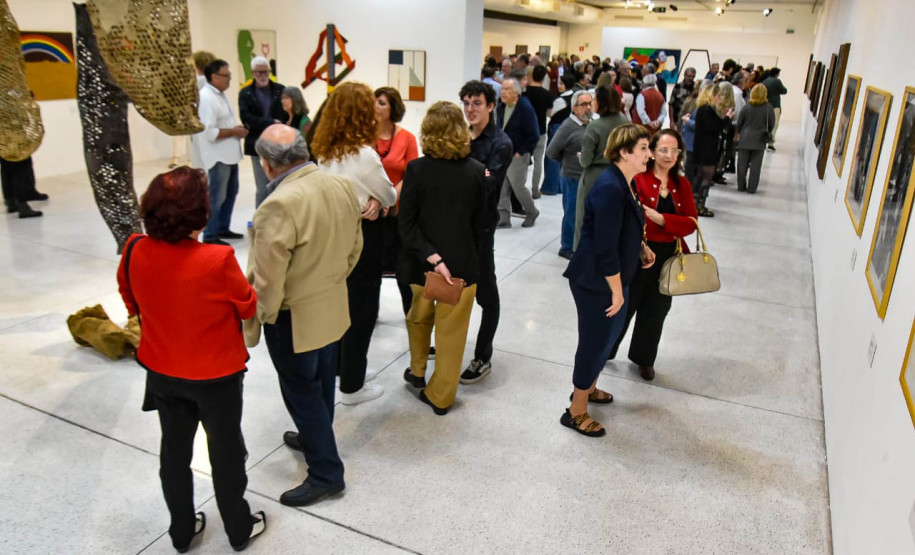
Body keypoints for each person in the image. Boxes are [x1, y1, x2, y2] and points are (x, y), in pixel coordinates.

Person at [116, 167, 266, 552]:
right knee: (226, 451)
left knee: (174, 451)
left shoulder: (134, 248)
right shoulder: (217, 259)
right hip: (216, 375)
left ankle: (182, 531)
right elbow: (248, 307)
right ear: (199, 212)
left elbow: (130, 300)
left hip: (163, 369)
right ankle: (238, 526)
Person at [246, 124, 363, 507]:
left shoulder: (277, 205)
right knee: (322, 381)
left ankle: (327, 473)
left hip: (293, 317)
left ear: (266, 164)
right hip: (331, 304)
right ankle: (316, 434)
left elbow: (267, 277)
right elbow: (354, 248)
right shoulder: (341, 186)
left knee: (301, 392)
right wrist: (330, 281)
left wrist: (261, 319)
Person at [561, 124, 655, 437]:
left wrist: (640, 247)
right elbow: (604, 249)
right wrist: (617, 293)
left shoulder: (627, 183)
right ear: (624, 152)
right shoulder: (609, 189)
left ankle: (590, 387)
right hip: (596, 281)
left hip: (614, 279)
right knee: (594, 342)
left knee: (607, 338)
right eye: (643, 148)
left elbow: (623, 229)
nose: (649, 154)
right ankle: (576, 410)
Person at [311, 82, 397, 405]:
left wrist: (373, 197)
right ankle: (352, 385)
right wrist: (377, 198)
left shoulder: (324, 149)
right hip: (362, 235)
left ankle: (340, 370)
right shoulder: (364, 155)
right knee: (362, 310)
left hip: (331, 235)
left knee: (339, 305)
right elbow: (389, 193)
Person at [400, 101, 487, 415]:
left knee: (418, 320)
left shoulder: (417, 171)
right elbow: (482, 228)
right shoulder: (477, 173)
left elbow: (406, 223)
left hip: (421, 266)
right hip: (461, 271)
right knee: (451, 336)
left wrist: (431, 256)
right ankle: (440, 396)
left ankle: (418, 369)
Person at [609, 130, 697, 380]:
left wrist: (661, 219)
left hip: (668, 256)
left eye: (675, 150)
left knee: (657, 310)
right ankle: (606, 350)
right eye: (663, 150)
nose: (669, 155)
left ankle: (644, 358)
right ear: (652, 151)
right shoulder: (639, 178)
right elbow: (628, 217)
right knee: (624, 305)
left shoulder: (682, 185)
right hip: (637, 253)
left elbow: (691, 222)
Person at [459, 80, 513, 385]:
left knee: (486, 294)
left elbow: (490, 177)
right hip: (454, 222)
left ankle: (483, 355)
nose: (470, 109)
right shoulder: (460, 134)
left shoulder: (500, 143)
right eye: (466, 103)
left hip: (481, 225)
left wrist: (464, 166)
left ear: (491, 106)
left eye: (477, 103)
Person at [374, 86, 419, 315]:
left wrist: (388, 198)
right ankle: (370, 315)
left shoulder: (407, 138)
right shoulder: (364, 136)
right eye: (375, 102)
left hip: (398, 212)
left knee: (404, 271)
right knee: (372, 270)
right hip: (370, 213)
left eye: (382, 103)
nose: (376, 107)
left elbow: (411, 174)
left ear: (393, 108)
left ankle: (412, 317)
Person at [197, 59, 247, 245]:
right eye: (226, 76)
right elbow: (209, 132)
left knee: (231, 192)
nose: (229, 80)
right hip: (218, 156)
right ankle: (210, 234)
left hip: (229, 154)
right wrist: (234, 132)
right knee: (216, 196)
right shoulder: (207, 98)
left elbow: (222, 124)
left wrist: (235, 129)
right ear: (214, 76)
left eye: (229, 76)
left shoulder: (220, 95)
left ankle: (222, 227)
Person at [576, 85, 629, 251]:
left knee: (585, 219)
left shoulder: (595, 126)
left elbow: (585, 160)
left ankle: (582, 257)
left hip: (595, 175)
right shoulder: (624, 122)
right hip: (619, 173)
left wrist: (580, 156)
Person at [547, 89, 593, 259]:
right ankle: (566, 246)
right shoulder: (568, 126)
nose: (588, 108)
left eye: (590, 103)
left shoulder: (589, 124)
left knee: (582, 213)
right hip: (572, 177)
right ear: (574, 108)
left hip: (586, 177)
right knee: (572, 212)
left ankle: (579, 243)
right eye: (584, 105)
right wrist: (568, 160)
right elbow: (551, 151)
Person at [239, 56, 286, 208]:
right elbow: (246, 118)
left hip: (278, 143)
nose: (262, 75)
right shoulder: (245, 93)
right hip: (257, 145)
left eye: (265, 72)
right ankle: (260, 222)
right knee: (262, 187)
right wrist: (271, 122)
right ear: (252, 73)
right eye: (259, 72)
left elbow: (285, 114)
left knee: (278, 184)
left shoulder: (280, 90)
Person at [495, 77, 540, 228]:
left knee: (518, 186)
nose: (503, 92)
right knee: (501, 186)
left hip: (517, 155)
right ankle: (503, 218)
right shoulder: (501, 106)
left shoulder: (525, 108)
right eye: (502, 89)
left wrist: (521, 152)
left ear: (516, 92)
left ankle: (531, 211)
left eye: (507, 89)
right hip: (503, 152)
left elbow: (534, 134)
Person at [735, 84, 776, 193]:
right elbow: (772, 124)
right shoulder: (768, 108)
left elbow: (739, 123)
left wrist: (740, 132)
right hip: (760, 140)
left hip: (745, 138)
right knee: (755, 167)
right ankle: (752, 188)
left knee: (742, 166)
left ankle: (741, 186)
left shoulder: (746, 107)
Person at [542, 74, 577, 196]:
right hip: (569, 129)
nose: (559, 86)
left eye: (561, 84)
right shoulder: (574, 97)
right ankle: (558, 187)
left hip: (557, 128)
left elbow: (550, 113)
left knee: (552, 157)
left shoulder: (561, 100)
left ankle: (549, 186)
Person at [525, 65, 554, 199]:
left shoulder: (525, 93)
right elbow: (549, 113)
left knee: (523, 160)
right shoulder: (547, 94)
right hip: (540, 130)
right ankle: (535, 189)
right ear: (544, 78)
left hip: (525, 130)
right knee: (538, 161)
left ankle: (519, 187)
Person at [761, 67, 787, 150]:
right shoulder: (777, 81)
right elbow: (784, 91)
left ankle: (763, 139)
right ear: (776, 74)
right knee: (774, 123)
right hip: (775, 105)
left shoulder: (764, 81)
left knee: (765, 123)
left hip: (765, 104)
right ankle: (770, 142)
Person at [669, 67, 696, 132]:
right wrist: (671, 121)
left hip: (689, 121)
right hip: (677, 120)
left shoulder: (695, 88)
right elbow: (671, 104)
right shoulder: (677, 87)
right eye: (689, 76)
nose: (691, 78)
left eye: (693, 77)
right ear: (684, 75)